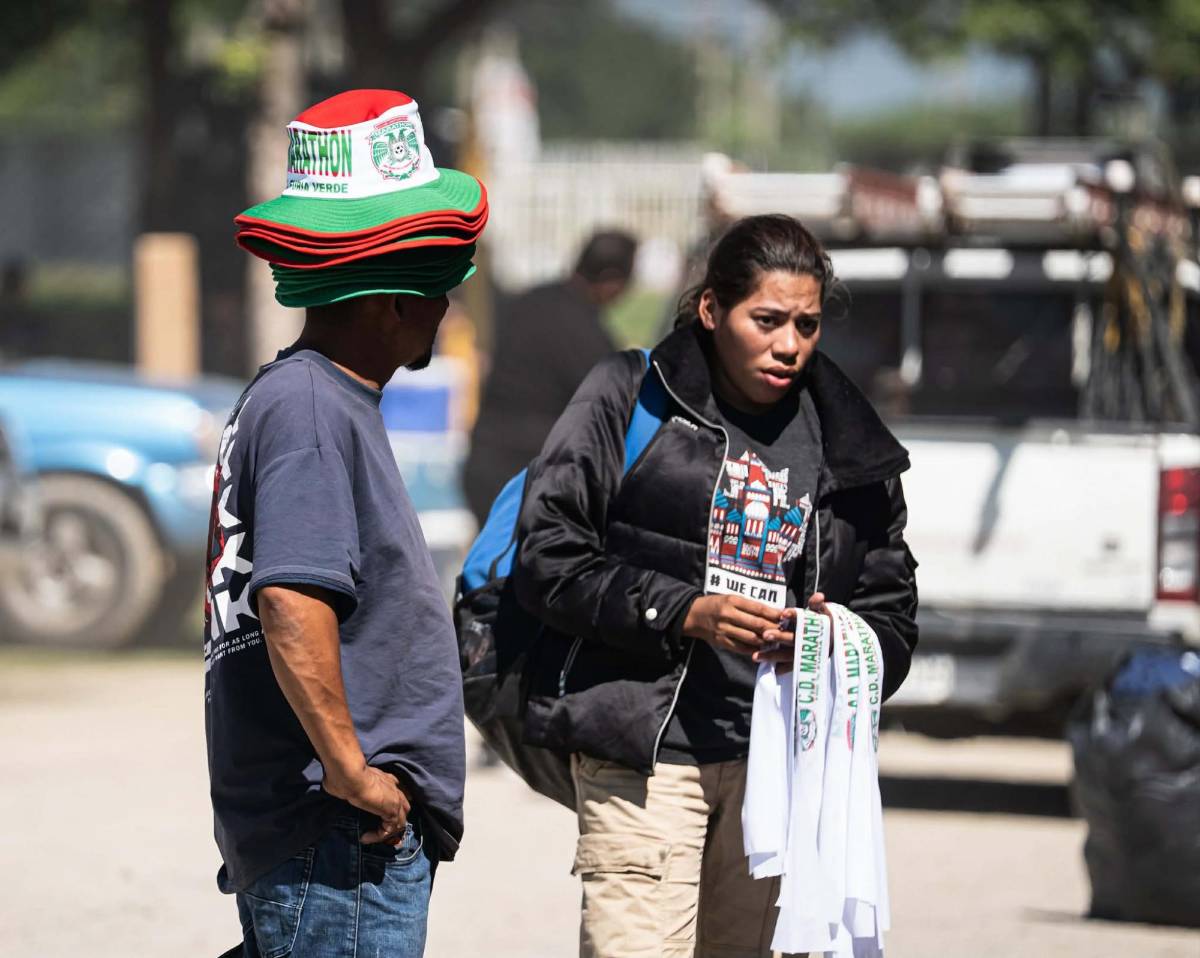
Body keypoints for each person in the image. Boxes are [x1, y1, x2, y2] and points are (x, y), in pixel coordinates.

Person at [511, 214, 918, 957]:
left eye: (806, 324)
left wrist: (835, 646)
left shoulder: (850, 443)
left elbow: (891, 611)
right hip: (645, 759)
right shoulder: (630, 396)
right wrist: (684, 610)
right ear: (710, 310)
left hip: (778, 774)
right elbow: (547, 555)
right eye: (766, 320)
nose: (789, 345)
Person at [205, 89, 486, 958]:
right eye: (439, 290)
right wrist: (352, 771)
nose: (449, 309)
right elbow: (291, 601)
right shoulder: (313, 409)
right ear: (391, 301)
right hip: (338, 842)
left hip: (329, 839)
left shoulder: (306, 398)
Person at [462, 229, 637, 525]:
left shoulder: (529, 301)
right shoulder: (588, 336)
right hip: (528, 479)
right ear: (611, 280)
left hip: (482, 467)